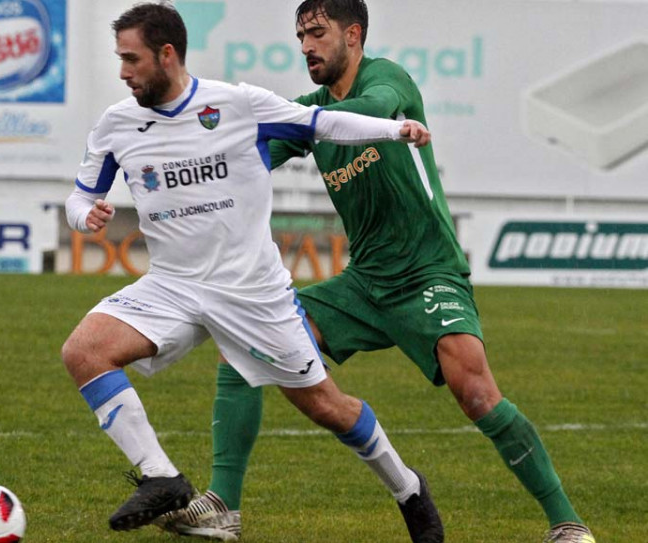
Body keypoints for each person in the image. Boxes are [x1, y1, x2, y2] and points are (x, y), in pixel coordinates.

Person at [156, 1, 596, 542]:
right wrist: (190, 163)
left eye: (317, 33)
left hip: (428, 272)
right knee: (244, 340)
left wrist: (323, 124)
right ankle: (223, 505)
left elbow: (379, 106)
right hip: (364, 283)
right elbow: (251, 150)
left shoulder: (387, 79)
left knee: (476, 392)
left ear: (354, 34)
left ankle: (567, 524)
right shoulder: (315, 109)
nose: (306, 47)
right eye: (300, 36)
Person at [61, 1, 443, 538]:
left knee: (327, 407)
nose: (123, 71)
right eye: (120, 59)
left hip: (251, 293)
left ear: (167, 55)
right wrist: (88, 216)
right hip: (172, 286)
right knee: (83, 351)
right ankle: (162, 478)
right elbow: (79, 198)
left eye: (132, 59)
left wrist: (394, 129)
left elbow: (323, 121)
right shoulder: (117, 124)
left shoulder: (237, 105)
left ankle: (408, 487)